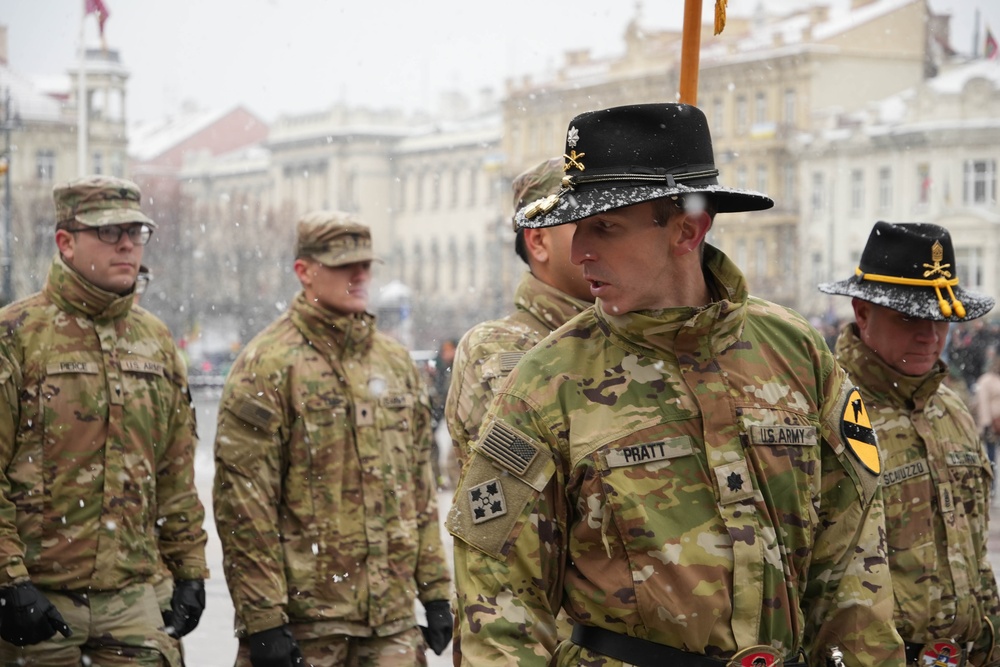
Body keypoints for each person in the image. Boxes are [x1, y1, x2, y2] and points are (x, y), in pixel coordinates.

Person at [447, 103, 904, 666]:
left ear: (687, 230)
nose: (579, 250)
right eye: (577, 227)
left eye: (605, 226)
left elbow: (853, 556)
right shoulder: (544, 382)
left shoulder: (794, 351)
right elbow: (497, 603)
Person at [213, 211, 452, 667]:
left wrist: (436, 591)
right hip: (307, 623)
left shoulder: (394, 363)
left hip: (392, 623)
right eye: (344, 264)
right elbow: (244, 505)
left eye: (366, 263)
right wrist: (263, 619)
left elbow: (417, 489)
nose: (360, 274)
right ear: (304, 272)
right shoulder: (267, 364)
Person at [0, 175, 208, 666]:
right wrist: (8, 580)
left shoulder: (155, 340)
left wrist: (190, 570)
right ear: (65, 243)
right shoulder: (16, 336)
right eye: (109, 233)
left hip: (133, 600)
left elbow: (175, 471)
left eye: (135, 233)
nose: (126, 245)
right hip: (39, 601)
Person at [819, 221, 1000, 666]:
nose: (930, 335)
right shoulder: (822, 411)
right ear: (862, 313)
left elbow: (974, 553)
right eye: (909, 318)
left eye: (941, 319)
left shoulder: (951, 408)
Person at [445, 157, 594, 486]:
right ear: (539, 242)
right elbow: (517, 502)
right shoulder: (500, 349)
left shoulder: (637, 326)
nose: (602, 240)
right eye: (586, 223)